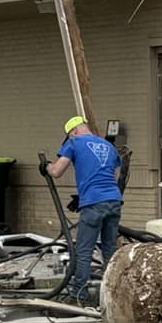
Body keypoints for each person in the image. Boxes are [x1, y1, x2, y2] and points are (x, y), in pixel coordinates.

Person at [44, 115, 122, 303]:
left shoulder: (74, 143)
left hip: (93, 203)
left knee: (84, 251)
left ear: (74, 131)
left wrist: (46, 166)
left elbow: (56, 172)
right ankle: (112, 294)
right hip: (114, 200)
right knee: (110, 249)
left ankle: (79, 294)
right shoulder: (109, 146)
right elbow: (108, 173)